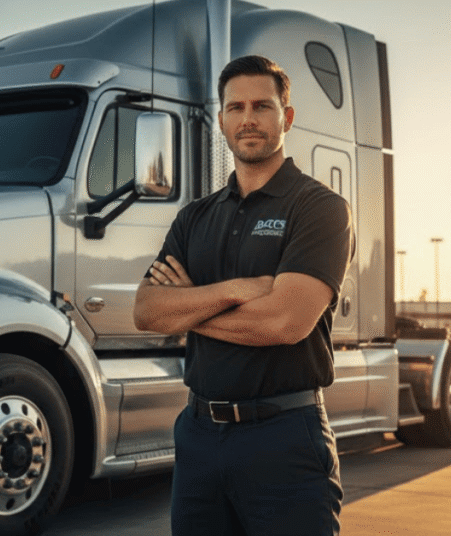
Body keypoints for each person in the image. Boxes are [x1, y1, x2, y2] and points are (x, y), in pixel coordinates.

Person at [133, 55, 354, 536]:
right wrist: (235, 291)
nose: (248, 118)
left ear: (286, 117)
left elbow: (285, 322)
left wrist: (189, 307)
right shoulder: (195, 217)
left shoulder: (320, 208)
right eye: (235, 107)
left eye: (262, 106)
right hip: (199, 437)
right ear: (221, 120)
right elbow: (147, 310)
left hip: (285, 437)